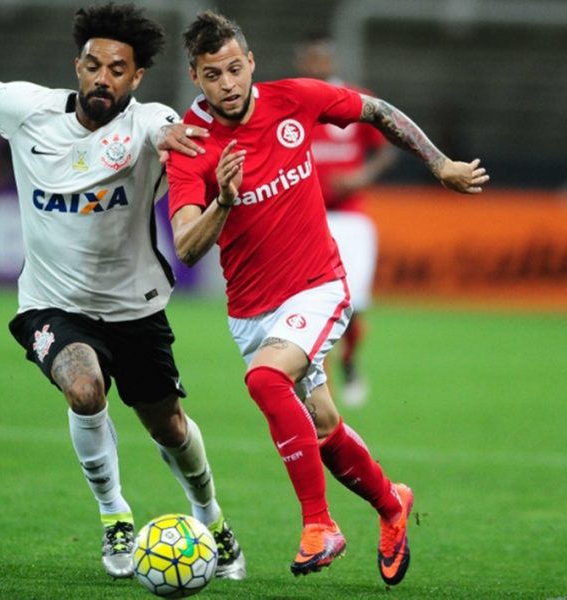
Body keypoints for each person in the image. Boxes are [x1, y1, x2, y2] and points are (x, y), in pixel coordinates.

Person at [167, 10, 489, 584]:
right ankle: (392, 504)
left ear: (252, 63)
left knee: (266, 381)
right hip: (250, 309)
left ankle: (320, 524)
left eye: (236, 69)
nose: (229, 84)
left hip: (318, 285)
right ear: (195, 76)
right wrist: (223, 201)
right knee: (320, 424)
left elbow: (378, 112)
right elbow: (187, 246)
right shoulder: (191, 146)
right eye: (214, 74)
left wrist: (439, 165)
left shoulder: (294, 99)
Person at [0, 3, 245, 581]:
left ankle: (211, 517)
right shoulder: (25, 109)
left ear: (136, 78)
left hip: (134, 307)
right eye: (93, 66)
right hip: (51, 303)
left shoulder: (147, 122)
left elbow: (166, 129)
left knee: (167, 426)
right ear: (77, 66)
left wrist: (176, 139)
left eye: (118, 70)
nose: (103, 79)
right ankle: (113, 512)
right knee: (85, 388)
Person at [295, 34, 397, 407]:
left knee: (352, 303)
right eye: (309, 57)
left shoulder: (354, 100)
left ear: (332, 60)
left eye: (321, 57)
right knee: (307, 302)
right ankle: (315, 378)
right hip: (306, 218)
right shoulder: (291, 104)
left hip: (350, 219)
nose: (316, 64)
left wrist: (359, 178)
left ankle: (350, 359)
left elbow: (386, 151)